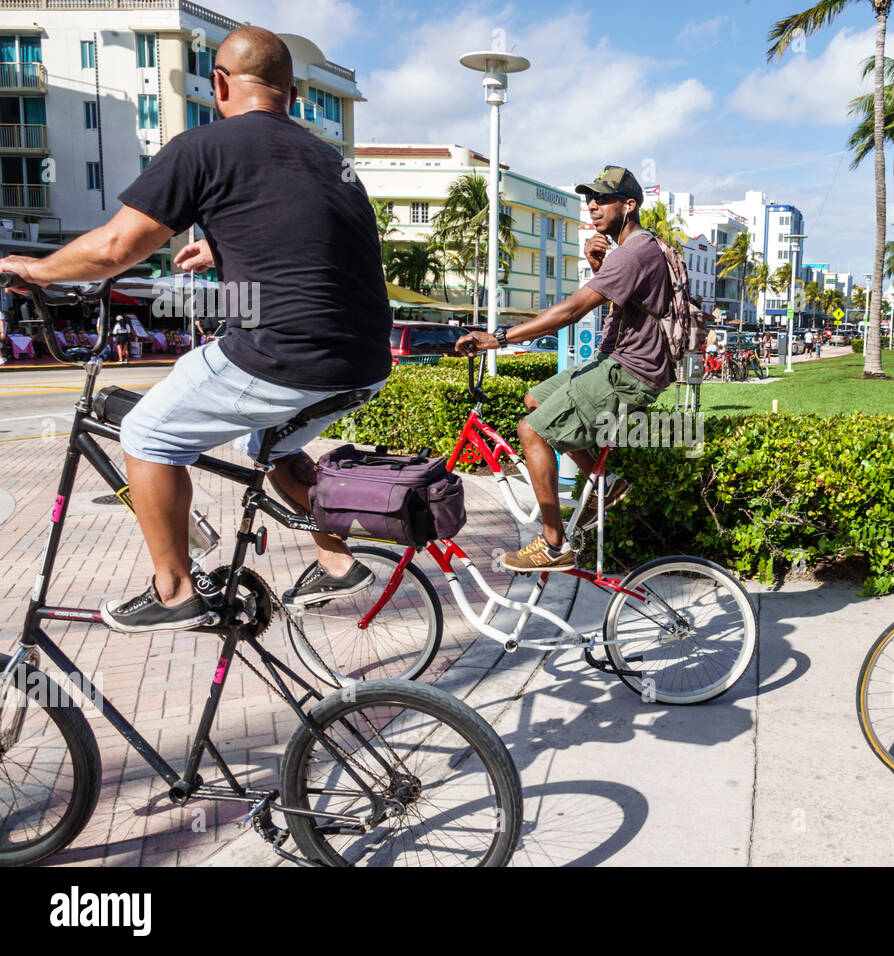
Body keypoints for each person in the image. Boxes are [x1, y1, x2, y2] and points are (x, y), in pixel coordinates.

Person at [0, 26, 391, 632]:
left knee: (149, 433)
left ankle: (176, 589)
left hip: (280, 353)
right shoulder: (330, 159)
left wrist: (40, 270)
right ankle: (337, 561)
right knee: (271, 445)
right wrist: (222, 244)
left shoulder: (202, 146)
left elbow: (113, 249)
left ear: (219, 84)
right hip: (364, 362)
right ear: (292, 94)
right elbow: (314, 237)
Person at [455, 165, 673, 572]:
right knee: (536, 398)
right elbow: (624, 309)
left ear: (629, 205)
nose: (593, 206)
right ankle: (604, 483)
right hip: (619, 363)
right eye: (590, 198)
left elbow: (570, 311)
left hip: (628, 373)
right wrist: (596, 267)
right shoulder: (636, 249)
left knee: (531, 429)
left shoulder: (633, 252)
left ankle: (553, 543)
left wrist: (498, 339)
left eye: (603, 199)